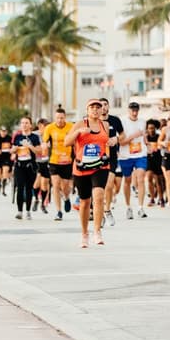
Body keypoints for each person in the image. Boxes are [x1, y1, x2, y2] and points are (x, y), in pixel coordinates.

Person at [65, 99, 111, 248]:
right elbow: (67, 142)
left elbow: (106, 142)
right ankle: (85, 234)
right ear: (87, 110)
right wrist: (78, 132)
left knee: (99, 196)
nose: (95, 110)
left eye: (98, 107)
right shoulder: (80, 124)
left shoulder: (105, 125)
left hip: (100, 166)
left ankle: (97, 231)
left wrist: (113, 142)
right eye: (92, 107)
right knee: (85, 202)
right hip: (82, 167)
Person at [43, 107, 75, 221]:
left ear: (65, 117)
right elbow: (45, 141)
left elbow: (76, 141)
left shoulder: (71, 127)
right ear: (54, 118)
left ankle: (66, 198)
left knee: (65, 187)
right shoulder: (49, 128)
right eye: (57, 118)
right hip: (54, 161)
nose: (60, 120)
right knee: (55, 185)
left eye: (61, 118)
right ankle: (58, 211)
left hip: (67, 161)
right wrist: (44, 145)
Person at [118, 102, 148, 219]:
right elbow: (121, 142)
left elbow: (143, 136)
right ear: (128, 110)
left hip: (140, 154)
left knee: (141, 178)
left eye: (136, 111)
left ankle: (140, 207)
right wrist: (133, 136)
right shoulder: (122, 122)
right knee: (127, 181)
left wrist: (147, 143)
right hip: (126, 155)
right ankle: (128, 207)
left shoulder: (143, 121)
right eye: (132, 111)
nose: (135, 113)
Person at [12, 117, 40, 219]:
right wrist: (14, 149)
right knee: (19, 188)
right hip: (19, 165)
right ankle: (19, 211)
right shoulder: (17, 137)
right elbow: (12, 151)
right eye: (22, 123)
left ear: (30, 125)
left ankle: (28, 211)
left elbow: (38, 151)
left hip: (30, 166)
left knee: (29, 188)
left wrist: (29, 146)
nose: (24, 125)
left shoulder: (34, 137)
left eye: (26, 123)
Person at [101, 99, 123, 226]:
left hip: (112, 157)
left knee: (109, 186)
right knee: (99, 188)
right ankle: (100, 213)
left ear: (108, 106)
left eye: (105, 105)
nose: (103, 107)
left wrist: (116, 139)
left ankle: (107, 210)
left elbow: (123, 136)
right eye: (100, 105)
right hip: (97, 157)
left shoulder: (115, 120)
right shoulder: (93, 122)